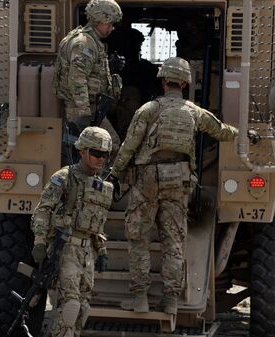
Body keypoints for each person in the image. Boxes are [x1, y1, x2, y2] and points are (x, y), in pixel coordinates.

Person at [109, 57, 240, 314]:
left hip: (147, 179)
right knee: (174, 240)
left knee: (139, 238)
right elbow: (222, 131)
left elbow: (129, 146)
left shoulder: (147, 110)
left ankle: (140, 298)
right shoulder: (194, 111)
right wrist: (243, 133)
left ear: (162, 80)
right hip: (178, 179)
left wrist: (115, 173)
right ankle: (170, 300)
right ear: (184, 83)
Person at [31, 127, 114, 337]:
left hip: (87, 252)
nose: (101, 159)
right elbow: (43, 210)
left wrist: (101, 250)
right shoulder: (65, 177)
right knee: (70, 306)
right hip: (66, 247)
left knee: (83, 308)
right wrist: (40, 242)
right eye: (96, 154)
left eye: (105, 155)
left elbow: (96, 223)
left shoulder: (99, 184)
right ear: (82, 151)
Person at [52, 0, 123, 157]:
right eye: (109, 23)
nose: (112, 27)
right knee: (111, 144)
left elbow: (89, 73)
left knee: (94, 149)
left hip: (87, 108)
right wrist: (84, 113)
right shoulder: (84, 43)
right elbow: (77, 78)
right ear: (98, 20)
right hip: (82, 110)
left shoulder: (90, 42)